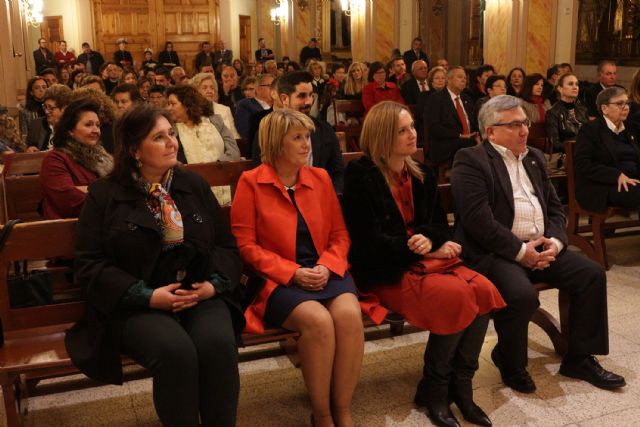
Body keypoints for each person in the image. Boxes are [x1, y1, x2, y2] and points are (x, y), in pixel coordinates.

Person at [66, 103, 244, 427]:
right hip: (138, 303)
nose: (172, 142)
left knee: (217, 344)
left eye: (172, 134)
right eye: (159, 137)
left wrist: (212, 286)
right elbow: (90, 264)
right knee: (176, 352)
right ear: (135, 149)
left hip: (197, 292)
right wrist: (147, 295)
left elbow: (226, 246)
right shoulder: (105, 195)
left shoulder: (194, 185)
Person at [342, 101, 504, 427]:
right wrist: (421, 250)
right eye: (402, 130)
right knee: (456, 297)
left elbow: (438, 224)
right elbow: (367, 243)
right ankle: (435, 388)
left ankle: (462, 385)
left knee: (484, 289)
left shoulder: (422, 173)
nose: (412, 134)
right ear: (383, 135)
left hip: (423, 262)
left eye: (412, 126)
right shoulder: (362, 175)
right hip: (386, 270)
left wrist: (432, 241)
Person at [451, 94, 625, 394]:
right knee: (522, 296)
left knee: (591, 274)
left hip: (540, 246)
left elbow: (555, 208)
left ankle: (579, 358)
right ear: (490, 131)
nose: (524, 130)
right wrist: (521, 253)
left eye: (525, 123)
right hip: (495, 253)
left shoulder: (532, 156)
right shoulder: (472, 160)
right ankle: (510, 361)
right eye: (515, 124)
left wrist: (555, 243)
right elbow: (479, 221)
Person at [232, 109, 374, 427]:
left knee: (350, 317)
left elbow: (339, 234)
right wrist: (291, 272)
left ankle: (343, 409)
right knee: (318, 322)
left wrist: (327, 265)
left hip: (325, 270)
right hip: (277, 279)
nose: (306, 144)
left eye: (307, 136)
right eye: (297, 137)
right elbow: (245, 247)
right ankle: (322, 414)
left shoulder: (319, 178)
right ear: (275, 143)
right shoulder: (251, 182)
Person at [251, 71, 345, 192]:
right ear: (284, 99)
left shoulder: (324, 130)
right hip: (279, 200)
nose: (309, 102)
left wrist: (328, 197)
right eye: (302, 96)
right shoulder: (268, 131)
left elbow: (337, 173)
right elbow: (259, 172)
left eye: (311, 95)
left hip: (319, 199)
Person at [39, 99, 113, 219]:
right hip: (71, 230)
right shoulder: (55, 159)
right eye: (88, 125)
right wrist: (110, 196)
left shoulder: (103, 158)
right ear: (71, 130)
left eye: (98, 125)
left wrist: (88, 190)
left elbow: (123, 190)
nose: (96, 130)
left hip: (106, 224)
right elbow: (70, 202)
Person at [574, 86, 640, 212]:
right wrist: (616, 175)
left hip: (632, 181)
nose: (626, 107)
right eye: (620, 104)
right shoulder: (590, 130)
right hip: (604, 186)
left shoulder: (630, 129)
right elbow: (582, 164)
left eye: (627, 103)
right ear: (604, 108)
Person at [165, 84, 240, 164]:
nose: (168, 108)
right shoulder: (170, 130)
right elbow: (170, 160)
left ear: (187, 104)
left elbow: (234, 152)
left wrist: (215, 166)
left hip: (220, 172)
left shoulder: (215, 121)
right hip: (188, 175)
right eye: (168, 104)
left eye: (173, 104)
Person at [424, 66, 478, 166]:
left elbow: (474, 123)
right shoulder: (436, 99)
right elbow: (434, 128)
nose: (463, 80)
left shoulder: (467, 99)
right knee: (470, 145)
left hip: (468, 140)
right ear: (449, 79)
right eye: (460, 77)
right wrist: (460, 135)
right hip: (445, 143)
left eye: (465, 78)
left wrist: (477, 135)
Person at [545, 73, 589, 154]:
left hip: (585, 153)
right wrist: (578, 146)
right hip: (566, 155)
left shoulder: (583, 110)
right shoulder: (553, 113)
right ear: (560, 88)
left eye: (576, 84)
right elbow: (555, 144)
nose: (575, 87)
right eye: (570, 84)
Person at [191, 72, 241, 140]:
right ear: (196, 92)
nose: (209, 91)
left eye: (212, 88)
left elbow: (235, 136)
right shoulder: (192, 111)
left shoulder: (225, 109)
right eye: (204, 88)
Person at [26, 84, 72, 152]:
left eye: (51, 108)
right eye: (45, 107)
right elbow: (28, 148)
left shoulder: (73, 127)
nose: (46, 111)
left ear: (64, 108)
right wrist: (29, 149)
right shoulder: (36, 125)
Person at [234, 73, 274, 139]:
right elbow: (246, 132)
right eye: (270, 86)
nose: (274, 89)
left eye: (275, 86)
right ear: (258, 88)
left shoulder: (279, 104)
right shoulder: (245, 105)